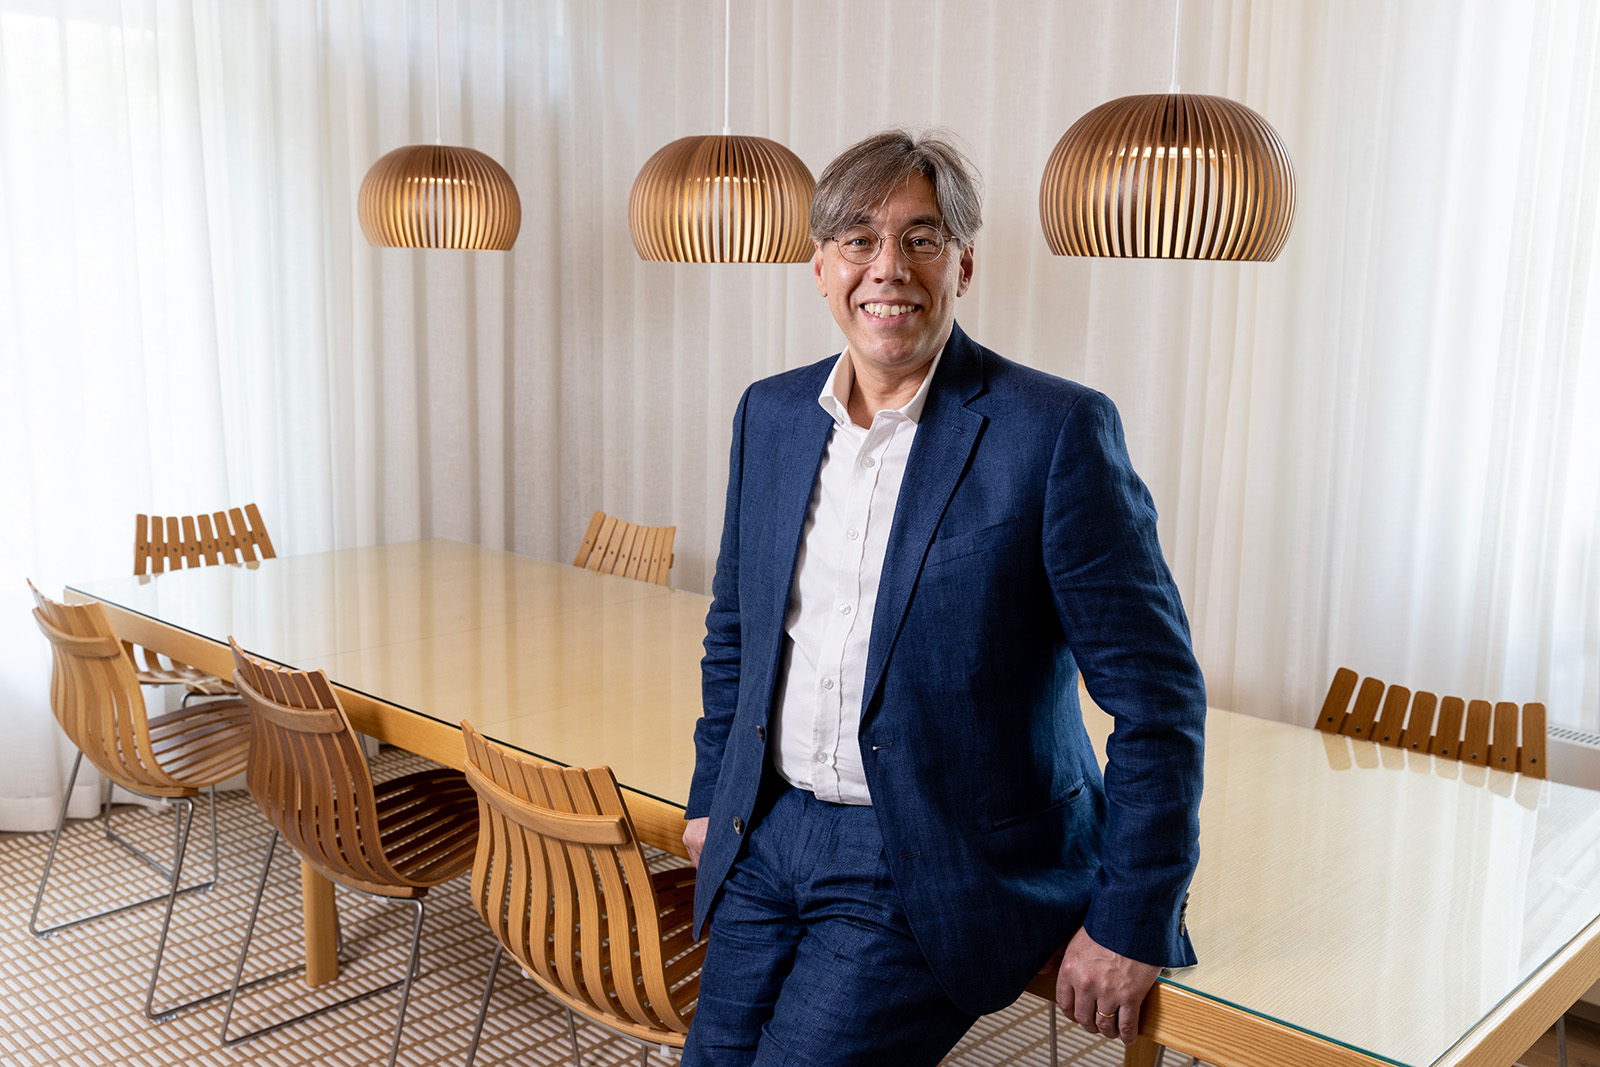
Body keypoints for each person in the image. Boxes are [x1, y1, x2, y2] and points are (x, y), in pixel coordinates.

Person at [680, 128, 1206, 1067]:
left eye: (920, 239)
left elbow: (1157, 700)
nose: (889, 268)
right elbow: (736, 635)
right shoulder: (769, 413)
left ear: (963, 263)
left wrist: (1134, 917)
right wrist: (709, 795)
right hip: (769, 829)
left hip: (925, 853)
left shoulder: (1054, 432)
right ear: (819, 267)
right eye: (859, 239)